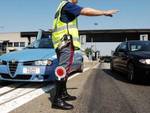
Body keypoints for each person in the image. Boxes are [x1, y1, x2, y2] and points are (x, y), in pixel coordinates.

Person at [51, 0, 119, 110]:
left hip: (61, 43)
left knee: (65, 69)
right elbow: (85, 10)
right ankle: (57, 100)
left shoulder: (60, 6)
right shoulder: (68, 5)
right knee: (63, 70)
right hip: (65, 43)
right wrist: (104, 12)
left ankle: (63, 94)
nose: (77, 1)